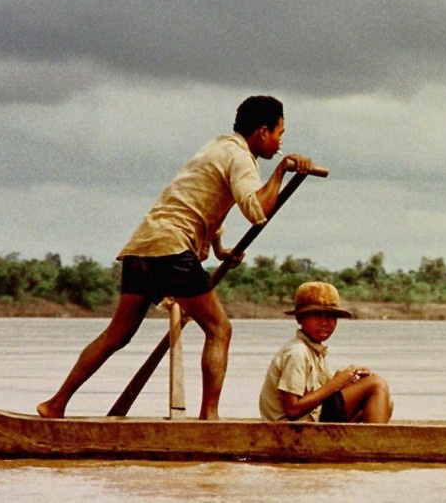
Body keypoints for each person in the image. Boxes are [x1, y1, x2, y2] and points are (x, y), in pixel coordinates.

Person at [38, 95, 315, 420]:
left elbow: (201, 202)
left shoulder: (218, 147)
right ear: (263, 131)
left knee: (117, 335)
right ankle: (209, 418)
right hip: (170, 248)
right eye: (280, 133)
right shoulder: (240, 156)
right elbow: (256, 211)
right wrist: (282, 170)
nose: (281, 142)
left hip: (143, 245)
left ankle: (55, 404)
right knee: (219, 329)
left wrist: (219, 250)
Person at [259, 282, 393, 423]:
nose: (325, 323)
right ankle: (375, 445)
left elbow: (321, 393)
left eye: (331, 317)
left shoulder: (315, 351)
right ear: (300, 318)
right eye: (317, 315)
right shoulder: (297, 352)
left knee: (383, 402)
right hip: (289, 429)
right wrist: (335, 384)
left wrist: (345, 381)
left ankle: (367, 443)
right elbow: (293, 410)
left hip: (310, 420)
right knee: (376, 383)